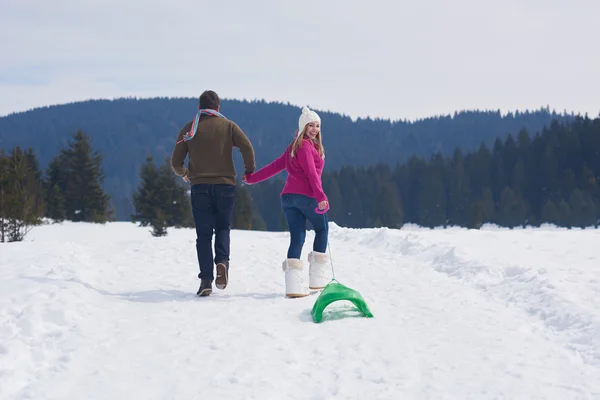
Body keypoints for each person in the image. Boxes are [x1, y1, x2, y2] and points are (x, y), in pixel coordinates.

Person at [171, 90, 255, 297]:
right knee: (223, 227)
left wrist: (185, 173)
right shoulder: (228, 126)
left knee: (203, 234)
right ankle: (222, 262)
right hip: (225, 185)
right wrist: (249, 170)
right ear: (218, 107)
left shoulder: (190, 128)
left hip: (199, 186)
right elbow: (247, 147)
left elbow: (175, 163)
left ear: (199, 108)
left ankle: (206, 280)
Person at [243, 106, 330, 298]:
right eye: (311, 126)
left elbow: (273, 167)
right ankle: (317, 281)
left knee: (298, 237)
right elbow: (311, 172)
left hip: (289, 199)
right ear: (303, 127)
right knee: (322, 229)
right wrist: (321, 196)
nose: (315, 129)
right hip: (306, 197)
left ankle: (293, 287)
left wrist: (251, 179)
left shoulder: (293, 147)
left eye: (317, 126)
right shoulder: (306, 146)